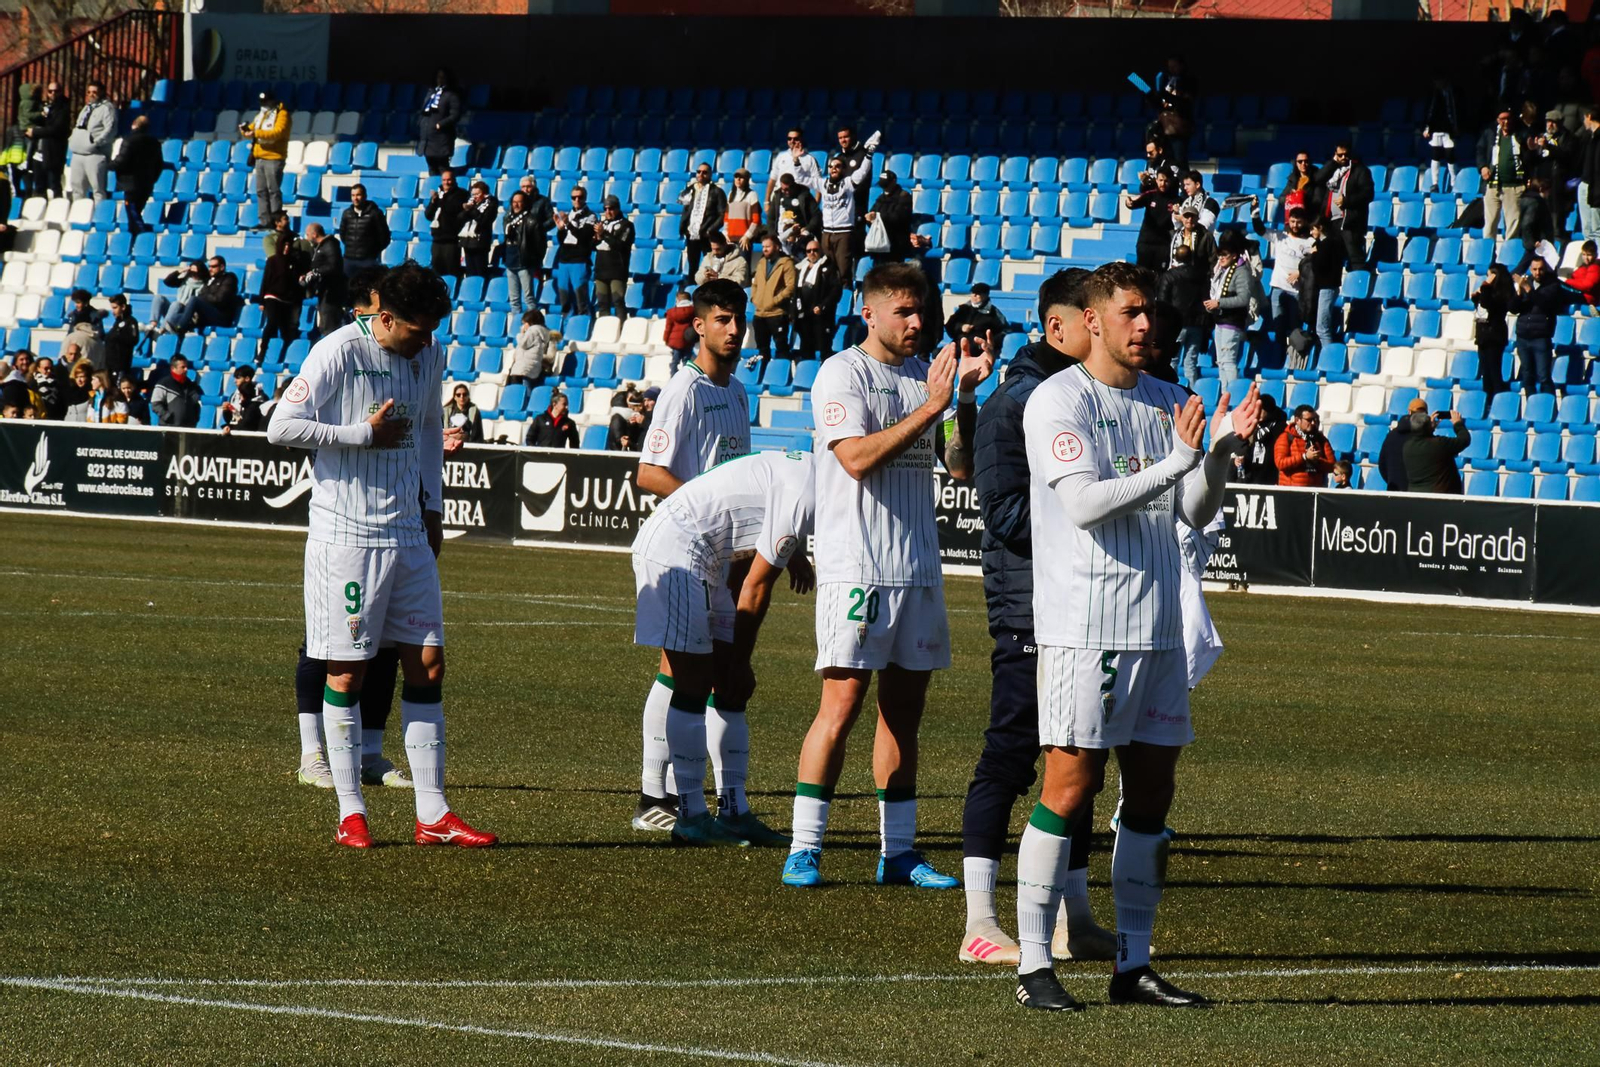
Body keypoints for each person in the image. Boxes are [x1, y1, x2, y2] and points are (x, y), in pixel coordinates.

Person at [1012, 260, 1258, 1013]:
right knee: (1071, 780)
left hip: (1157, 624)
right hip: (1087, 625)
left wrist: (1214, 455)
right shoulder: (1057, 399)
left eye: (1149, 311)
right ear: (1091, 320)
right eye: (1129, 313)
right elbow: (1084, 504)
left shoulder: (1168, 400)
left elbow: (1192, 508)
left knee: (1152, 788)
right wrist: (1180, 459)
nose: (1145, 324)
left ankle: (1134, 964)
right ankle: (1032, 964)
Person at [781, 261, 993, 891]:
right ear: (868, 311)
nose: (916, 322)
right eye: (903, 311)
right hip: (858, 568)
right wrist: (932, 404)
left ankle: (897, 853)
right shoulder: (843, 373)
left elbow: (959, 467)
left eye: (920, 310)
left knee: (904, 714)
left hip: (917, 568)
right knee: (841, 704)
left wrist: (963, 402)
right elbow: (855, 459)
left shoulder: (925, 376)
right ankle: (805, 845)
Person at [267, 261, 493, 849]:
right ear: (384, 317)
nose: (426, 341)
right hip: (347, 538)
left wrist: (435, 508)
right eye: (416, 330)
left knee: (429, 664)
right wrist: (359, 435)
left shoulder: (430, 353)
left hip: (409, 533)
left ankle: (433, 815)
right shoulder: (337, 352)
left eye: (431, 331)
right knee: (348, 669)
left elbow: (425, 433)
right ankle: (350, 812)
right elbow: (280, 426)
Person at [960, 267, 1115, 969]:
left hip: (1082, 605)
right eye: (1095, 317)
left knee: (1080, 761)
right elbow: (1002, 515)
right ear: (1060, 326)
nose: (1107, 330)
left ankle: (1073, 918)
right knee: (1011, 752)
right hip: (1028, 605)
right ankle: (979, 919)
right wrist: (1096, 509)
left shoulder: (1088, 396)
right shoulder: (1015, 403)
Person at [632, 449, 817, 846]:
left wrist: (793, 550)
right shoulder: (811, 487)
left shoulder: (812, 473)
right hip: (678, 546)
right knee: (696, 681)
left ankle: (733, 812)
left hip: (710, 553)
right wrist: (739, 661)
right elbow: (756, 586)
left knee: (729, 691)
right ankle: (691, 817)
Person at [629, 281, 757, 835]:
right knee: (685, 672)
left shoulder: (737, 392)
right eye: (723, 320)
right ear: (699, 326)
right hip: (682, 550)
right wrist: (707, 513)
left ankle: (671, 797)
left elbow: (740, 478)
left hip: (717, 555)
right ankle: (654, 797)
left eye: (739, 320)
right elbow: (649, 472)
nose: (733, 329)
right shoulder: (684, 389)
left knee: (685, 673)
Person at [1249, 199, 1315, 355]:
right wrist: (1255, 212)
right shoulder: (1280, 236)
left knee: (1294, 327)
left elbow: (1316, 263)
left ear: (1304, 222)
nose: (1295, 225)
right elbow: (1259, 229)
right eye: (1292, 221)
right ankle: (1278, 356)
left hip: (1297, 291)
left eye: (1298, 222)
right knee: (1277, 324)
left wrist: (1300, 272)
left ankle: (1294, 357)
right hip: (1278, 287)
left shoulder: (1310, 242)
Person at [1510, 256, 1576, 395]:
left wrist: (1528, 289)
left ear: (1545, 269)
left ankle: (1549, 408)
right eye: (1534, 269)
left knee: (1544, 377)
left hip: (1541, 338)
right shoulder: (1525, 283)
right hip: (1523, 337)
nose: (1537, 273)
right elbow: (1513, 308)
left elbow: (1545, 303)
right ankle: (1532, 410)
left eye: (1540, 269)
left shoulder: (1553, 285)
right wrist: (1519, 292)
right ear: (1530, 269)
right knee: (1527, 377)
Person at [1203, 230, 1253, 389]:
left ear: (1234, 255)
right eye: (1220, 255)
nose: (1221, 258)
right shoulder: (1222, 271)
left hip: (1232, 322)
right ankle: (1225, 395)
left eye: (1225, 255)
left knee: (1228, 361)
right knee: (1221, 362)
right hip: (1220, 321)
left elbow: (1243, 299)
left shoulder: (1242, 272)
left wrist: (1219, 303)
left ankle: (1233, 396)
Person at [819, 149, 877, 284]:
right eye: (831, 166)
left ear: (844, 170)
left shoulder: (848, 184)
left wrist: (868, 155)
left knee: (844, 271)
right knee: (827, 271)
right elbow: (802, 179)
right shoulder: (823, 184)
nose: (833, 169)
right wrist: (797, 162)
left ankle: (846, 297)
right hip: (826, 232)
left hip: (844, 232)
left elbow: (862, 172)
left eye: (837, 166)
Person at [1317, 141, 1374, 269]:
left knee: (1355, 259)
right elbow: (1318, 179)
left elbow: (1368, 194)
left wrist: (1347, 201)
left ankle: (1359, 286)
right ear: (1335, 155)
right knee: (1332, 259)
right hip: (1332, 222)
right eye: (1340, 155)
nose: (1343, 158)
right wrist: (1332, 162)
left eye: (1346, 154)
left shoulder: (1360, 171)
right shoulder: (1333, 170)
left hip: (1350, 223)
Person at [238, 90, 289, 230]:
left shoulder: (282, 114)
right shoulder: (262, 115)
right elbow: (253, 129)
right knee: (261, 190)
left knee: (274, 190)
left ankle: (276, 221)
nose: (264, 104)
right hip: (260, 157)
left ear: (273, 101)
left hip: (274, 158)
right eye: (262, 102)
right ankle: (264, 221)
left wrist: (256, 132)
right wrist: (245, 130)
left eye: (266, 102)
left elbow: (277, 132)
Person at [1158, 244, 1209, 386]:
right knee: (1191, 361)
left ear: (1175, 257)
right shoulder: (1201, 275)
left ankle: (1169, 390)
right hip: (1196, 323)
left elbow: (1162, 302)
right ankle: (1192, 394)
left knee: (1171, 360)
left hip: (1176, 323)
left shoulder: (1169, 276)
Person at [1477, 111, 1527, 247]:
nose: (1506, 122)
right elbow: (1480, 150)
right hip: (1492, 185)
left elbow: (1529, 155)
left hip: (1513, 186)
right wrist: (1482, 167)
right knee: (1490, 224)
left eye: (1508, 119)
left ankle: (1508, 256)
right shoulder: (1490, 133)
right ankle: (1487, 256)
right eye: (1502, 119)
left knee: (1512, 224)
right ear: (1497, 120)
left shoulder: (1520, 134)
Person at [749, 234, 795, 375]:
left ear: (776, 247)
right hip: (760, 313)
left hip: (777, 314)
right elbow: (755, 283)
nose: (765, 249)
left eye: (768, 246)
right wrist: (755, 298)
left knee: (781, 347)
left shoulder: (786, 263)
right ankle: (762, 375)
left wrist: (774, 301)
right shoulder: (762, 262)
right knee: (762, 349)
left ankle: (782, 376)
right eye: (763, 247)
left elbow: (790, 287)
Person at [110, 114, 164, 234]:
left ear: (134, 124)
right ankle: (134, 241)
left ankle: (143, 236)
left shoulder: (129, 140)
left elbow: (121, 161)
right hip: (147, 184)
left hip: (131, 185)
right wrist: (152, 179)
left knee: (133, 215)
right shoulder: (154, 142)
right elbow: (159, 164)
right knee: (136, 213)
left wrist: (108, 165)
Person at [793, 238, 842, 362]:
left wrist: (822, 306)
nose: (812, 253)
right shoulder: (800, 268)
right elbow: (795, 292)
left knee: (824, 348)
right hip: (804, 315)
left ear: (820, 251)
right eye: (808, 251)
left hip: (821, 316)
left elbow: (835, 291)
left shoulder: (828, 267)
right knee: (806, 348)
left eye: (815, 250)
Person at [67, 80, 116, 202]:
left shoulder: (107, 108)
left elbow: (110, 129)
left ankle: (99, 216)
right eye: (89, 92)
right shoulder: (86, 107)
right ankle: (79, 216)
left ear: (102, 92)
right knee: (77, 188)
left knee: (97, 189)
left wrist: (95, 143)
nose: (91, 95)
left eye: (95, 92)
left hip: (95, 154)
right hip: (78, 153)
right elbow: (78, 124)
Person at [258, 238, 306, 363]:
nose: (286, 248)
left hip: (287, 300)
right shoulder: (272, 261)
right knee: (272, 322)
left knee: (288, 331)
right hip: (272, 296)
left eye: (288, 245)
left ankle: (285, 356)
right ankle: (262, 351)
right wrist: (261, 300)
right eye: (284, 245)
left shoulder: (294, 262)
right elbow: (265, 280)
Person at [552, 186, 597, 316]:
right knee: (564, 296)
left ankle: (583, 325)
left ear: (585, 198)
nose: (577, 200)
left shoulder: (591, 216)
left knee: (580, 297)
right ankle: (567, 326)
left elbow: (583, 237)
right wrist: (561, 229)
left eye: (580, 197)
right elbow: (562, 240)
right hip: (565, 259)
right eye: (574, 197)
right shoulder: (569, 214)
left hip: (579, 260)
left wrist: (569, 224)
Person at [1403, 410, 1471, 494]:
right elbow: (1464, 440)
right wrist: (1458, 424)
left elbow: (1425, 440)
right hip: (1440, 496)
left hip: (1416, 495)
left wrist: (1429, 427)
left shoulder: (1407, 446)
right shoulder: (1440, 444)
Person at [678, 162, 728, 275]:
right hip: (692, 234)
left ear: (710, 174)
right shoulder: (689, 190)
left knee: (710, 265)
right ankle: (691, 288)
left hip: (707, 236)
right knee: (692, 265)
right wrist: (684, 228)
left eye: (705, 172)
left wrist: (710, 231)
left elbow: (722, 215)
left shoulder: (717, 192)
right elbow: (685, 212)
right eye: (699, 172)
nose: (701, 174)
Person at [1126, 170, 1178, 271]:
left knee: (1159, 277)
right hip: (1146, 243)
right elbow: (1134, 203)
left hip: (1163, 244)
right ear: (1156, 180)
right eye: (1160, 180)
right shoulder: (1150, 195)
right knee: (1142, 275)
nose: (1163, 184)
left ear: (1171, 181)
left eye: (1166, 181)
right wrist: (1129, 203)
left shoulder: (1177, 200)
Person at [1305, 215, 1344, 348]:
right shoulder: (1329, 243)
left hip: (1328, 287)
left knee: (1322, 329)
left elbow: (1319, 265)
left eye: (1313, 229)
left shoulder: (1327, 244)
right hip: (1327, 287)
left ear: (1320, 228)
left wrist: (1314, 254)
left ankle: (1328, 358)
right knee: (1322, 328)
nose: (1311, 232)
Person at [593, 195, 635, 320]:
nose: (608, 212)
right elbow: (591, 245)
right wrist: (596, 237)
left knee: (618, 301)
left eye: (611, 208)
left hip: (617, 270)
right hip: (601, 269)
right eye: (605, 209)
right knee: (602, 303)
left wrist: (603, 234)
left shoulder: (627, 225)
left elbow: (620, 244)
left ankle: (621, 329)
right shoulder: (601, 224)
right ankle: (605, 331)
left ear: (617, 208)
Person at [25, 80, 68, 199]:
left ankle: (58, 211)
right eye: (50, 91)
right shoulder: (44, 107)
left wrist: (35, 132)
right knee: (39, 186)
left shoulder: (63, 109)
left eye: (56, 91)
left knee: (54, 185)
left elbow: (55, 129)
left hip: (53, 153)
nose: (53, 94)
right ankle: (40, 211)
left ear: (61, 92)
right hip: (39, 152)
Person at [1274, 405, 1336, 487]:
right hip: (1291, 492)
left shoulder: (1321, 439)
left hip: (1315, 493)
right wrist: (1304, 457)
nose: (1313, 423)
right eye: (1309, 420)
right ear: (1297, 420)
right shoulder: (1286, 437)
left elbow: (1333, 466)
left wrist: (1317, 460)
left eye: (1314, 419)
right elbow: (1280, 463)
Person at [304, 223, 347, 337]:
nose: (306, 237)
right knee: (325, 323)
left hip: (331, 292)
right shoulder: (320, 247)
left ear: (314, 234)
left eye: (308, 234)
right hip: (324, 291)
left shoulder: (329, 245)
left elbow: (334, 266)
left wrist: (317, 272)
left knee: (330, 325)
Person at [500, 191, 540, 314]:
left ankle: (533, 324)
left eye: (519, 202)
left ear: (525, 203)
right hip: (510, 260)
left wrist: (533, 260)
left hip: (525, 262)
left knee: (528, 298)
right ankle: (516, 327)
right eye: (514, 202)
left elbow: (539, 243)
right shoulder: (507, 218)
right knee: (514, 299)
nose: (516, 205)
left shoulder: (531, 220)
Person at [417, 69, 462, 175]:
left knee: (442, 167)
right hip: (428, 138)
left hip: (441, 139)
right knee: (431, 167)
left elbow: (455, 115)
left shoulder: (452, 96)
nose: (440, 80)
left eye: (443, 77)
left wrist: (440, 124)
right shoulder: (431, 93)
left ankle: (445, 190)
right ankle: (434, 190)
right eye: (438, 77)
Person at [339, 184, 391, 276]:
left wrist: (373, 252)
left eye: (358, 195)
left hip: (367, 261)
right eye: (353, 195)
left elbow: (385, 236)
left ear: (365, 196)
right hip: (349, 260)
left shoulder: (375, 213)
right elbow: (343, 234)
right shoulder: (346, 214)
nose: (355, 198)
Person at [423, 170, 467, 278]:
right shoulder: (438, 195)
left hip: (451, 240)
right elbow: (428, 215)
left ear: (454, 180)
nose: (446, 183)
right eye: (444, 180)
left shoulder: (461, 194)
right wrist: (433, 202)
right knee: (436, 273)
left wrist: (441, 199)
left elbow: (451, 209)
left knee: (451, 272)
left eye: (449, 180)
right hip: (437, 240)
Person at [767, 173, 822, 258]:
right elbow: (771, 218)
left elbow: (816, 215)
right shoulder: (777, 196)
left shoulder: (804, 195)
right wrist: (773, 236)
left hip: (799, 236)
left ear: (793, 185)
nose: (786, 192)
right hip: (780, 237)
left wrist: (808, 229)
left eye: (788, 189)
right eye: (783, 189)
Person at [1378, 397, 1426, 492]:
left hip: (1394, 491)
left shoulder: (1391, 436)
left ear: (1409, 412)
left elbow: (1382, 465)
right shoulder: (1423, 437)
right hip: (1415, 493)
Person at [865, 170, 914, 263]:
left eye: (886, 184)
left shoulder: (904, 196)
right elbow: (872, 213)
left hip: (896, 244)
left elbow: (898, 217)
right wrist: (869, 218)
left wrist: (878, 217)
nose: (884, 187)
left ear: (894, 181)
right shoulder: (881, 198)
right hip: (880, 244)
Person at [1422, 77, 1461, 192]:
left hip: (1449, 130)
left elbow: (1455, 111)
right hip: (1436, 130)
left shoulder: (1451, 94)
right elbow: (1429, 112)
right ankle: (1435, 183)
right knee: (1435, 156)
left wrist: (1456, 127)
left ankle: (1454, 182)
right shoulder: (1433, 95)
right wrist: (1427, 127)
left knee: (1450, 156)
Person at [457, 181, 498, 278]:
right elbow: (459, 219)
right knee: (470, 272)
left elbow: (484, 220)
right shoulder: (472, 203)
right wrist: (466, 209)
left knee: (480, 272)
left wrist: (472, 210)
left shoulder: (491, 203)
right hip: (467, 242)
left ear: (485, 194)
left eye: (477, 194)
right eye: (473, 194)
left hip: (480, 242)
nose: (475, 197)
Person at [768, 128, 823, 200]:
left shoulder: (810, 159)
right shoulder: (781, 156)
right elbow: (772, 180)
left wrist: (815, 205)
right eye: (789, 138)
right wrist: (767, 201)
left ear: (801, 140)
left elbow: (818, 184)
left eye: (795, 139)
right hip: (781, 198)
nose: (792, 141)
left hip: (801, 199)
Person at [150, 354, 202, 427]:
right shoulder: (164, 383)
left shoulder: (191, 385)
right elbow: (155, 404)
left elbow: (196, 404)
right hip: (169, 428)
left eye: (187, 367)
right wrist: (167, 417)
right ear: (173, 368)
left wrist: (195, 418)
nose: (186, 369)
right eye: (183, 367)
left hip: (188, 428)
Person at [507, 309, 550, 388]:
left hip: (524, 367)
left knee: (520, 391)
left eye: (524, 323)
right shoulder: (543, 331)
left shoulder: (533, 330)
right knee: (527, 388)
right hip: (533, 366)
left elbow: (524, 344)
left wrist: (521, 334)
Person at [725, 169, 762, 255]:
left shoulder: (752, 195)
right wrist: (726, 233)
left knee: (744, 265)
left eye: (741, 177)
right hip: (730, 239)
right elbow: (726, 217)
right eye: (736, 177)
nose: (738, 179)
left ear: (746, 180)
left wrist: (747, 236)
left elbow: (756, 220)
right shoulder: (730, 194)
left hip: (744, 239)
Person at [103, 294, 139, 384]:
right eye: (112, 308)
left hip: (121, 367)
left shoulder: (131, 321)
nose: (112, 311)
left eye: (115, 308)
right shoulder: (117, 323)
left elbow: (134, 339)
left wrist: (117, 337)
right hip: (110, 366)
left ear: (123, 307)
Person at [1168, 206, 1215, 273]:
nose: (1190, 219)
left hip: (1197, 276)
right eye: (1187, 216)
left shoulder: (1206, 236)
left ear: (1197, 219)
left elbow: (1213, 258)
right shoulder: (1175, 235)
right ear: (1182, 218)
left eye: (1193, 217)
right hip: (1177, 275)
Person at [221, 364, 264, 432]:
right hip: (236, 431)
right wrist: (226, 411)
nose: (235, 381)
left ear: (247, 378)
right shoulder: (234, 396)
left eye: (238, 377)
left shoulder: (259, 397)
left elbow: (249, 423)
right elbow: (230, 419)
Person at [663, 288, 697, 374]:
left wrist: (666, 339)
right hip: (688, 340)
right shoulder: (694, 311)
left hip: (675, 341)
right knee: (686, 361)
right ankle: (686, 378)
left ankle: (673, 378)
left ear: (678, 300)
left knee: (675, 361)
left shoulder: (671, 312)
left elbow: (668, 327)